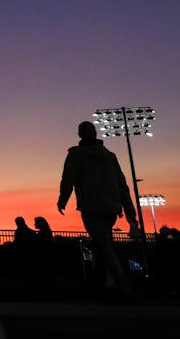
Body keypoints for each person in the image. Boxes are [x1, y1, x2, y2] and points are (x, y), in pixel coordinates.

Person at [57, 120, 138, 301]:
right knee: (102, 245)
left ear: (80, 134)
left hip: (91, 207)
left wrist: (62, 200)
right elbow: (123, 186)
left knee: (104, 247)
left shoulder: (76, 155)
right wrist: (130, 214)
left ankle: (124, 288)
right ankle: (99, 286)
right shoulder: (109, 155)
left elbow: (68, 179)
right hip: (111, 208)